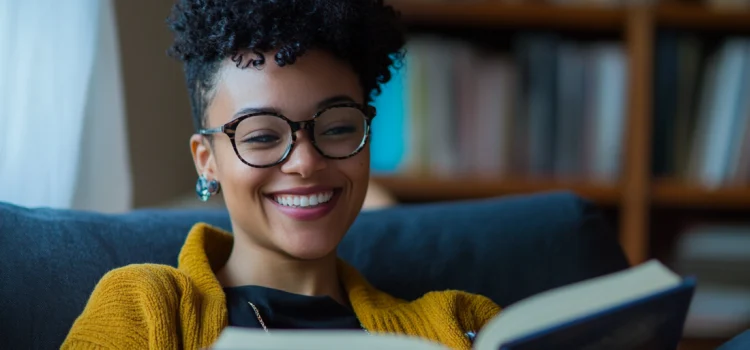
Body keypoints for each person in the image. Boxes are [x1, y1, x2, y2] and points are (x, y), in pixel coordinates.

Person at [62, 0, 500, 349]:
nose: (305, 163)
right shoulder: (144, 308)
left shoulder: (458, 324)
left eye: (337, 128)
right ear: (206, 159)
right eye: (261, 137)